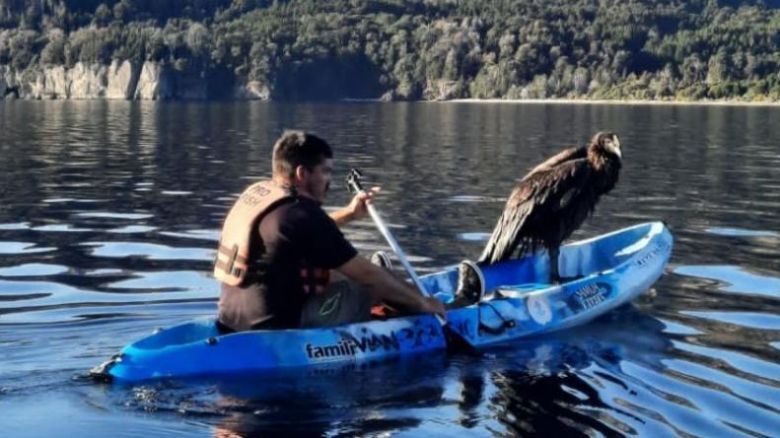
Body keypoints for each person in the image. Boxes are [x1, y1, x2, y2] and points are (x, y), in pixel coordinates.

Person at [214, 131, 445, 332]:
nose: (329, 181)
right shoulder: (303, 214)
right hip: (278, 328)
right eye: (325, 172)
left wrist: (350, 214)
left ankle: (393, 286)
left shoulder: (260, 196)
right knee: (370, 283)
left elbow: (300, 235)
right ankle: (416, 314)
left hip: (230, 319)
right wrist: (423, 304)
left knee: (338, 272)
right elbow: (366, 275)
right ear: (302, 173)